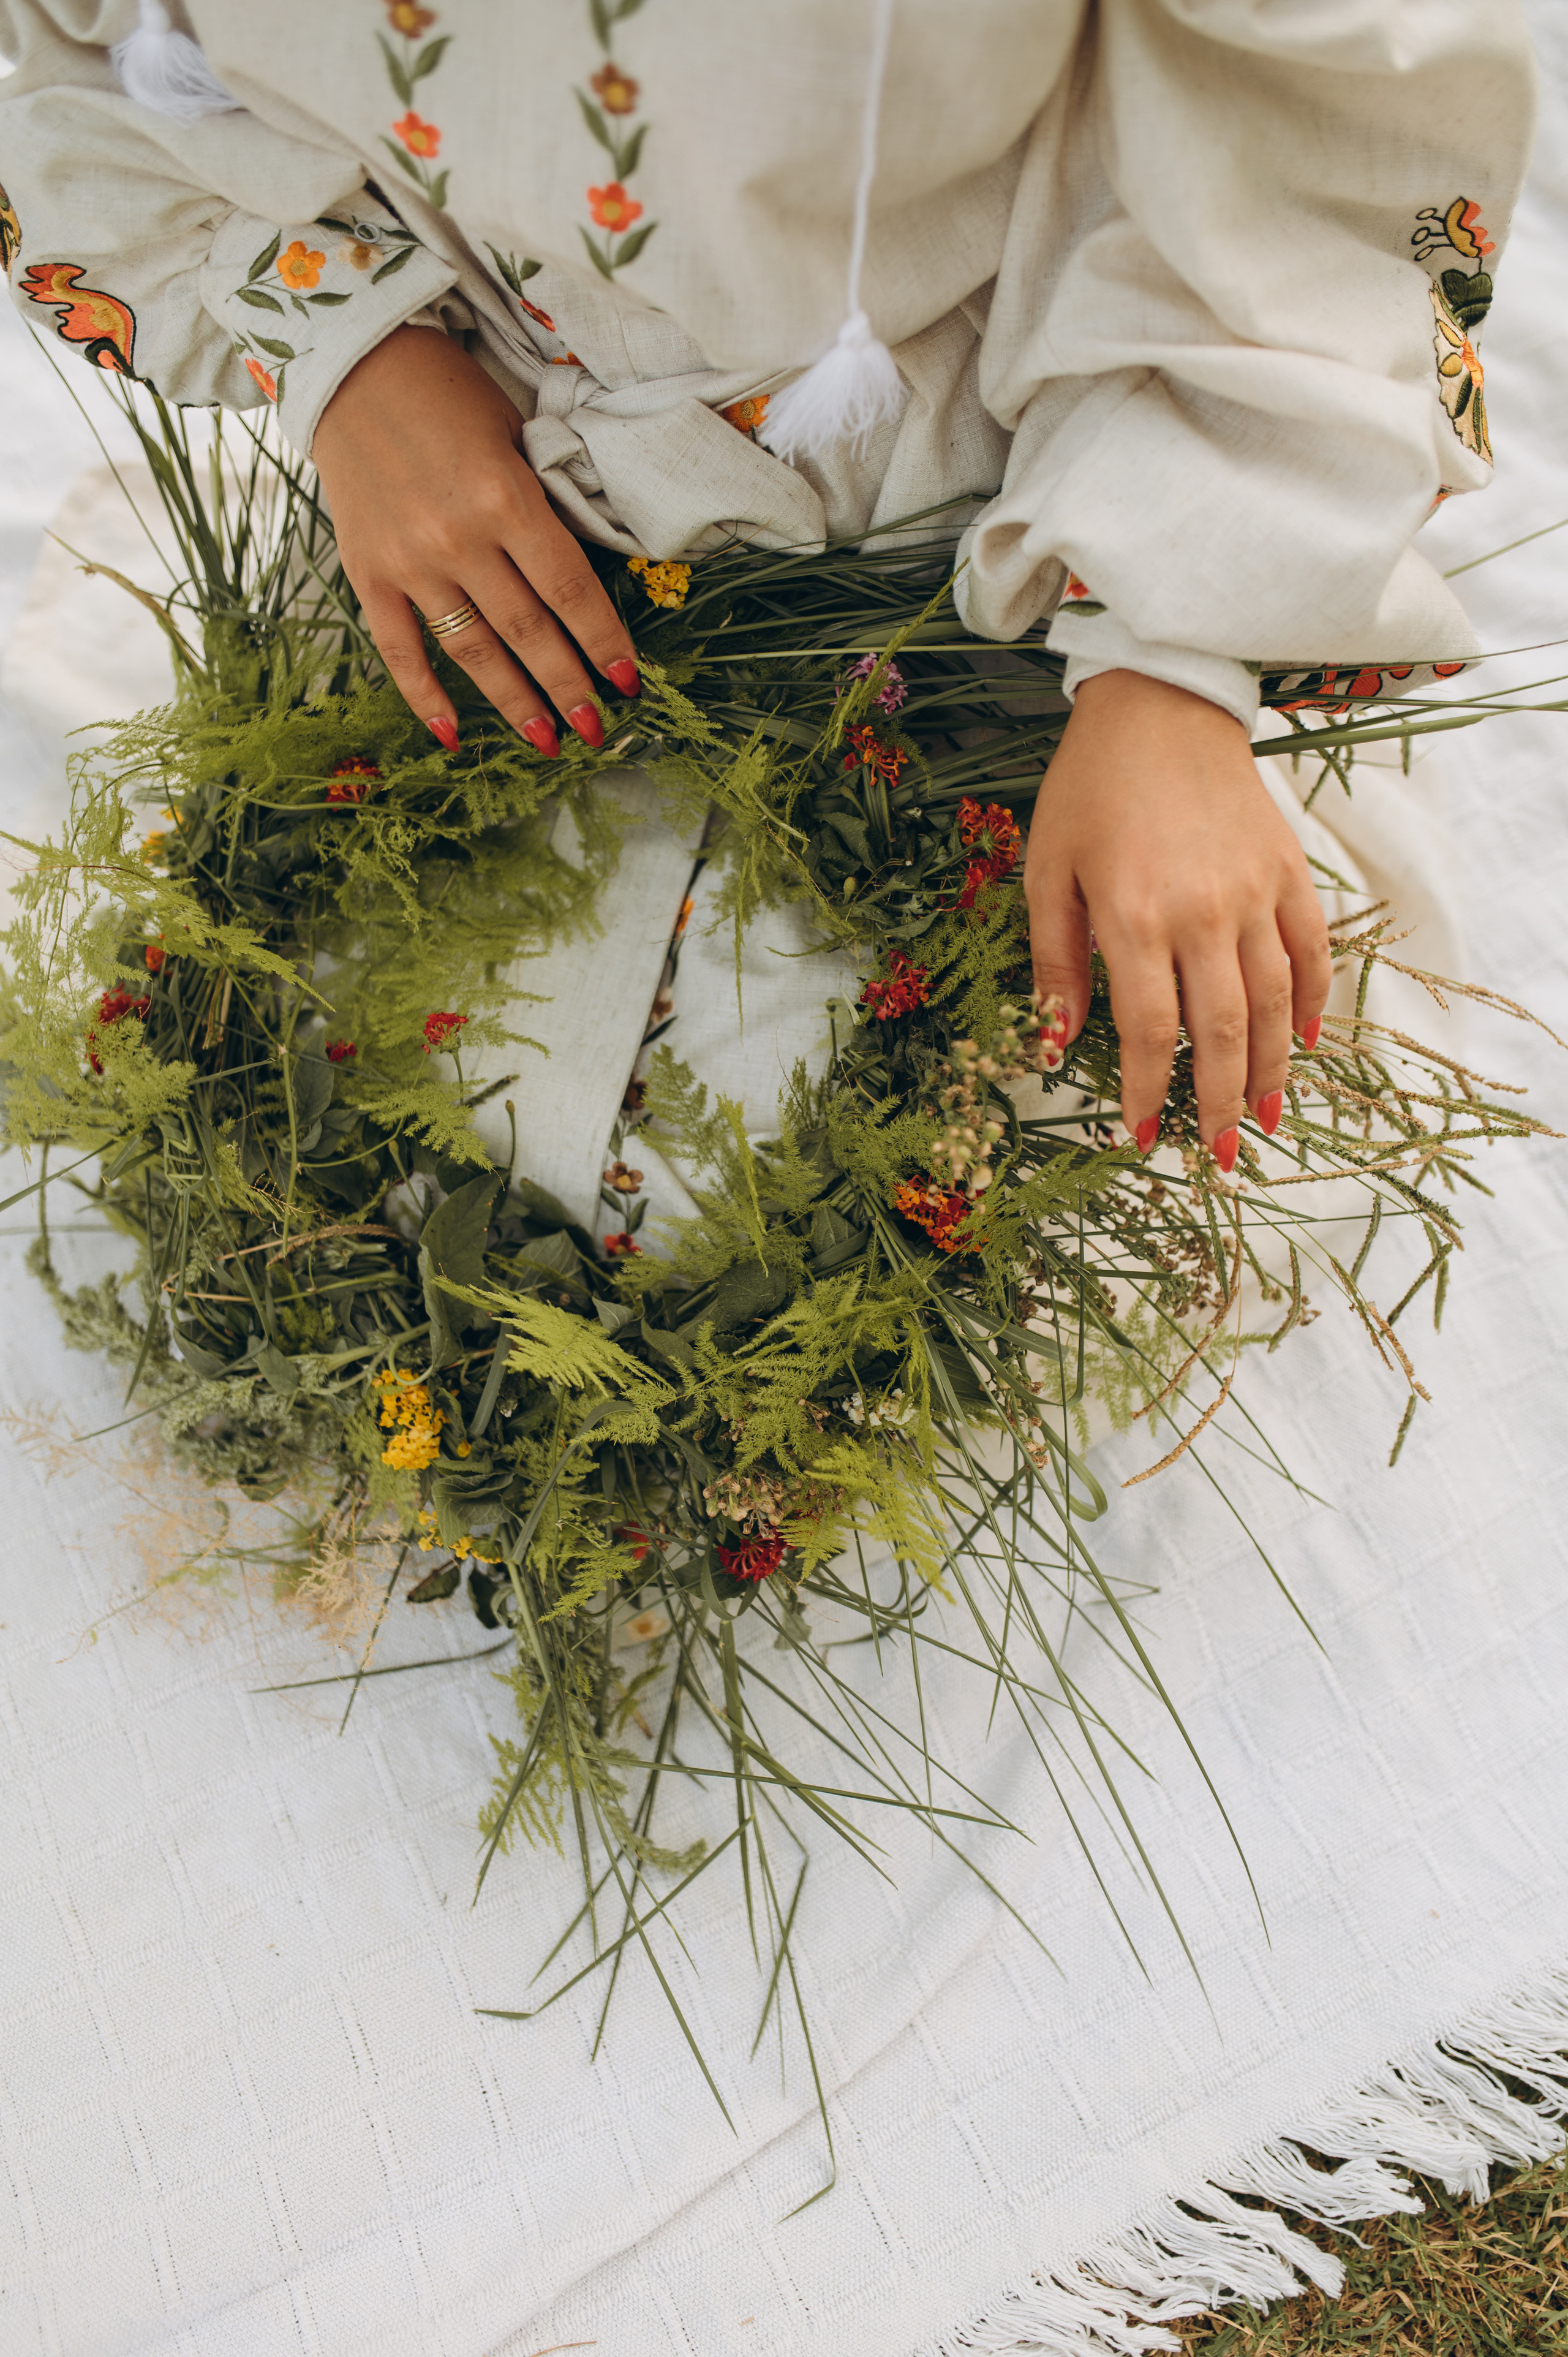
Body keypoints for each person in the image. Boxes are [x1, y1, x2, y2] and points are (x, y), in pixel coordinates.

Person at [0, 0, 1532, 1167]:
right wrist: (348, 354)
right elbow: (87, 47)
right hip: (470, 424)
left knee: (991, 1088)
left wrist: (1170, 644)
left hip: (1009, 463)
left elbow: (1319, 112)